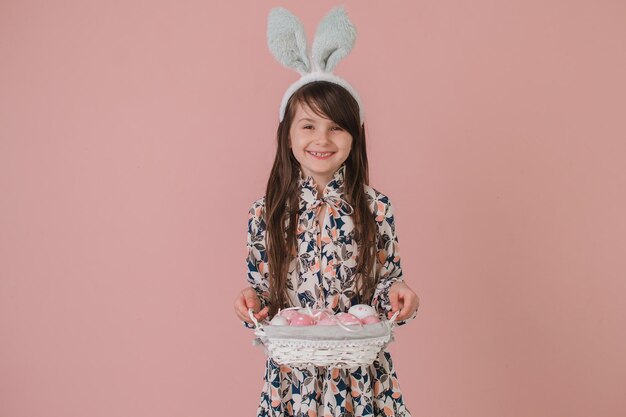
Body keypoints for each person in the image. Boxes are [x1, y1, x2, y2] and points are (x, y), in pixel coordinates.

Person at [234, 6, 420, 416]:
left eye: (336, 126)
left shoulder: (375, 207)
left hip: (359, 378)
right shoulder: (266, 212)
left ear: (355, 137)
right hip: (293, 378)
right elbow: (262, 292)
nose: (322, 138)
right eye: (308, 126)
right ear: (287, 136)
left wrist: (399, 294)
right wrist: (252, 301)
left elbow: (387, 283)